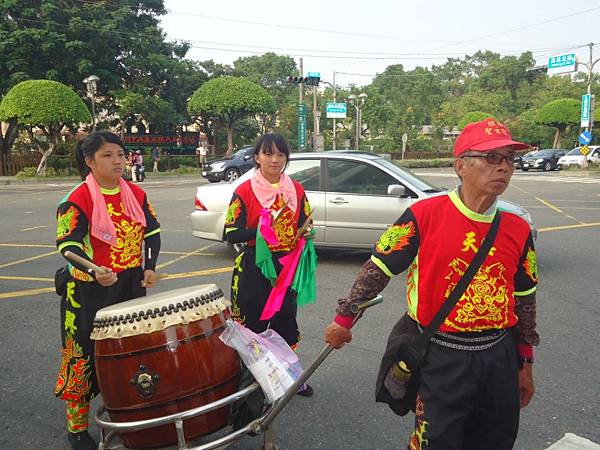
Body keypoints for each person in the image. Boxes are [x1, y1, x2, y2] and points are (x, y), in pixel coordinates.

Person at [325, 118, 539, 449]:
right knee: (435, 442)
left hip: (499, 355)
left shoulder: (517, 227)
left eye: (509, 159)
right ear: (461, 166)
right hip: (441, 354)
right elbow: (378, 268)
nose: (504, 168)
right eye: (492, 158)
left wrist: (524, 363)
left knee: (496, 440)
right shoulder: (423, 214)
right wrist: (344, 318)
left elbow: (525, 297)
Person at [54, 131, 161, 450]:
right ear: (89, 161)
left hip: (129, 285)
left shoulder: (136, 194)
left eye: (120, 154)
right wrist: (93, 269)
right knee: (83, 355)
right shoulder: (77, 199)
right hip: (88, 290)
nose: (118, 160)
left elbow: (152, 232)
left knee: (128, 353)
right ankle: (76, 428)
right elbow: (68, 244)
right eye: (108, 155)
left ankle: (125, 413)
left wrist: (149, 266)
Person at [224, 132, 317, 397]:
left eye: (280, 154)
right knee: (251, 325)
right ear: (256, 157)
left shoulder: (296, 189)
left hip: (287, 268)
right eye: (268, 153)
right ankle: (251, 383)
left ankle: (289, 377)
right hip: (255, 268)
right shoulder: (244, 191)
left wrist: (308, 233)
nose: (275, 160)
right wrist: (266, 230)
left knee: (285, 322)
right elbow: (233, 233)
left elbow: (305, 223)